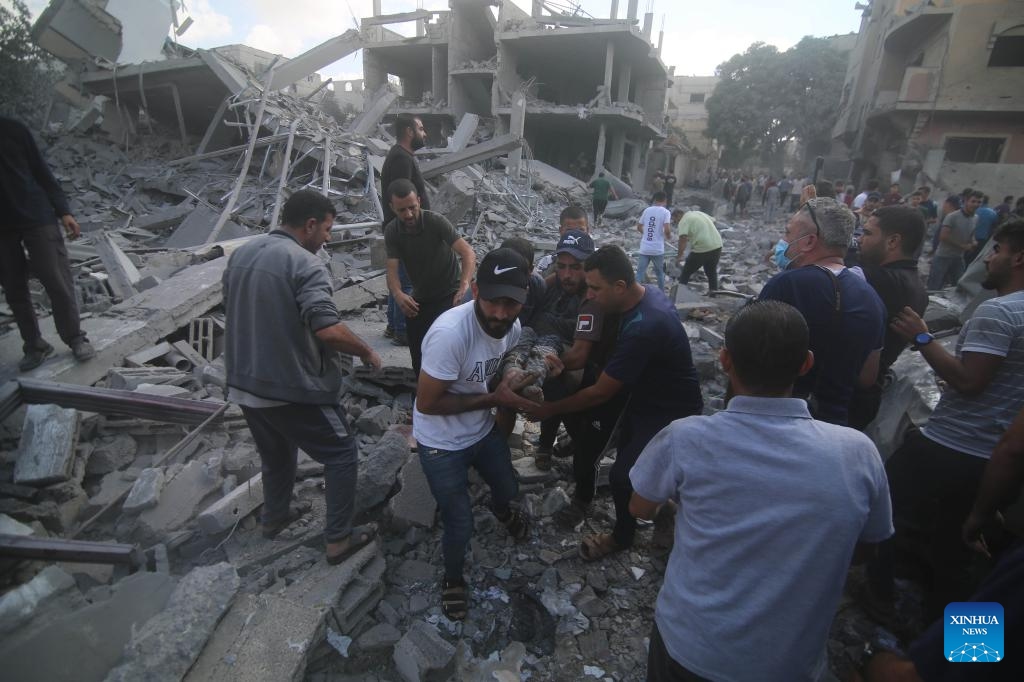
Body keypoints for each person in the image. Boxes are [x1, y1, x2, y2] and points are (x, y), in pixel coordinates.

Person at [630, 300, 892, 682]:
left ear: (724, 360)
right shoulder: (858, 452)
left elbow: (639, 507)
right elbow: (866, 548)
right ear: (806, 363)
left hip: (690, 648)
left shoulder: (685, 438)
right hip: (789, 663)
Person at [865, 219, 1024, 621]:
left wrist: (922, 337)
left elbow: (970, 381)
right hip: (994, 459)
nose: (988, 258)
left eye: (997, 250)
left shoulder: (998, 312)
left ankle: (880, 600)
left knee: (880, 509)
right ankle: (961, 647)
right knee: (960, 554)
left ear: (1018, 258)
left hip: (951, 444)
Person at [223, 190, 382, 565]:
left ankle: (274, 517)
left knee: (277, 454)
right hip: (290, 387)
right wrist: (366, 351)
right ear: (310, 224)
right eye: (327, 230)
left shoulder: (243, 254)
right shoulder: (305, 264)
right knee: (342, 453)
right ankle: (338, 540)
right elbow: (327, 328)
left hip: (244, 383)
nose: (327, 238)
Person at [527, 245, 703, 561]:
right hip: (636, 392)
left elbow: (600, 392)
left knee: (624, 476)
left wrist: (549, 409)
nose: (590, 295)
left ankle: (626, 534)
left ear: (620, 286)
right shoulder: (642, 295)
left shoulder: (645, 326)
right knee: (591, 446)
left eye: (595, 288)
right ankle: (591, 499)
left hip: (666, 409)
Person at [413, 248, 538, 620]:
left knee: (508, 488)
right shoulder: (450, 335)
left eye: (510, 304)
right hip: (441, 442)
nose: (499, 314)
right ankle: (453, 579)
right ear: (476, 290)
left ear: (523, 298)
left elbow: (496, 369)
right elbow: (428, 403)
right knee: (459, 522)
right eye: (492, 301)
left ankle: (500, 509)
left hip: (480, 430)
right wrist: (495, 399)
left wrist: (512, 379)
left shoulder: (513, 327)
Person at [760, 197, 886, 425]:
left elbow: (750, 359)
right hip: (833, 424)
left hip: (775, 419)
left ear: (809, 241)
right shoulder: (872, 298)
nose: (782, 241)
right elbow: (867, 377)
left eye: (787, 233)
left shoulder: (787, 285)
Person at [0, 116, 95, 370]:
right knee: (14, 288)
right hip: (2, 228)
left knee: (56, 278)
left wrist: (64, 211)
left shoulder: (13, 129)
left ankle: (75, 337)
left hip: (36, 214)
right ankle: (34, 344)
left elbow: (41, 171)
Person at [500, 230, 596, 469]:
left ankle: (567, 448)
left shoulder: (593, 297)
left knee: (562, 397)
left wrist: (553, 363)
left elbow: (581, 354)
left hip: (572, 363)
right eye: (561, 267)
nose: (567, 275)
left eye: (575, 267)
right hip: (536, 346)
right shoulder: (552, 284)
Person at [848, 206, 930, 429]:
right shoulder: (918, 288)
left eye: (867, 233)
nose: (860, 239)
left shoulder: (878, 280)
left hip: (848, 397)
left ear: (893, 241)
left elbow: (827, 272)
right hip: (866, 397)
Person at [384, 179, 475, 378]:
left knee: (449, 348)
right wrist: (398, 295)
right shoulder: (392, 231)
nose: (408, 214)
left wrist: (464, 285)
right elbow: (391, 271)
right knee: (418, 351)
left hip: (450, 294)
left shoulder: (436, 221)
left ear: (419, 200)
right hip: (422, 296)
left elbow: (467, 252)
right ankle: (422, 390)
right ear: (392, 208)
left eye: (412, 207)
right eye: (402, 210)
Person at [380, 115, 431, 346]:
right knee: (408, 281)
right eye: (421, 128)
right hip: (406, 230)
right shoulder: (401, 158)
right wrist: (412, 228)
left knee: (400, 279)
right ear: (409, 131)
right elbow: (402, 199)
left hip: (400, 228)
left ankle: (394, 326)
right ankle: (402, 330)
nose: (424, 133)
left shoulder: (401, 155)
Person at [928, 190, 981, 289]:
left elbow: (972, 234)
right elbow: (943, 236)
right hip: (943, 256)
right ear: (966, 201)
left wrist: (973, 241)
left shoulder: (975, 218)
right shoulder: (952, 216)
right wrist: (962, 246)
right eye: (973, 201)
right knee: (934, 286)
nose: (976, 204)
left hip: (958, 257)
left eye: (978, 202)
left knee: (959, 285)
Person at [675, 205, 723, 292]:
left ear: (678, 216)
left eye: (675, 220)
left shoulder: (683, 220)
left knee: (686, 271)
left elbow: (683, 239)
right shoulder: (698, 213)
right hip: (717, 245)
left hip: (702, 247)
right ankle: (713, 293)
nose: (676, 222)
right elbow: (714, 221)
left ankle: (679, 293)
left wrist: (679, 256)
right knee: (711, 271)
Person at [534, 205, 590, 276]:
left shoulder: (599, 259)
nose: (575, 235)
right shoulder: (547, 262)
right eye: (570, 231)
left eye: (580, 230)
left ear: (588, 231)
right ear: (560, 231)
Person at [635, 191, 673, 290]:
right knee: (659, 273)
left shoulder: (647, 210)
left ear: (655, 199)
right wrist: (669, 236)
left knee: (639, 273)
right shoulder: (666, 212)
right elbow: (667, 229)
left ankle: (634, 293)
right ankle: (662, 294)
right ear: (665, 200)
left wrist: (647, 234)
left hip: (645, 248)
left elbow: (639, 227)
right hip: (657, 249)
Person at [967, 195, 999, 264]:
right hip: (982, 238)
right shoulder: (993, 213)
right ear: (987, 202)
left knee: (964, 254)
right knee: (974, 257)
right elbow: (994, 226)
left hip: (969, 236)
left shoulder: (974, 210)